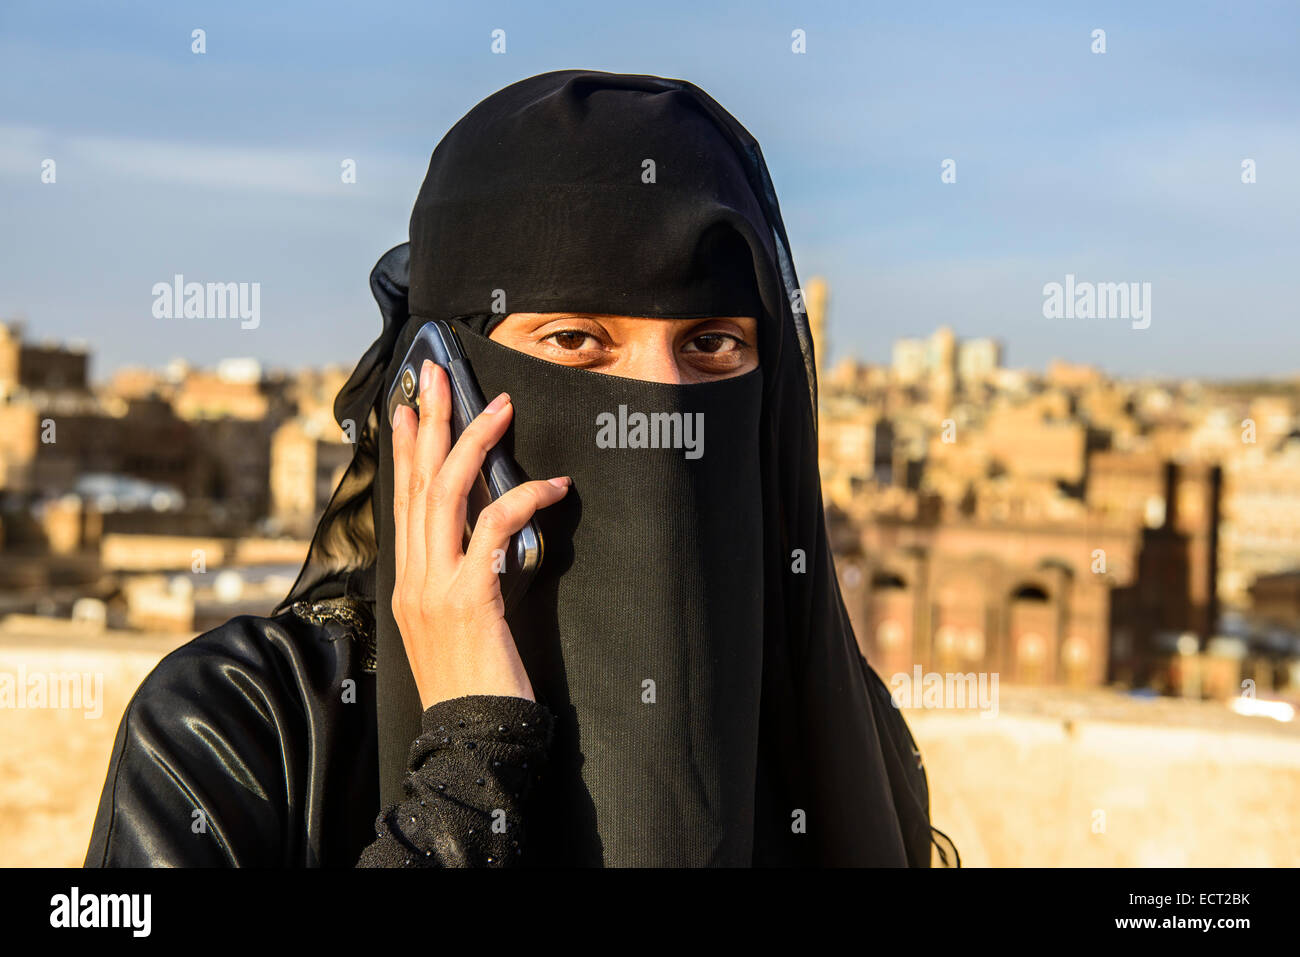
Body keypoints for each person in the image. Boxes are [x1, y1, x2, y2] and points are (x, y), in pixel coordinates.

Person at [84, 69, 955, 868]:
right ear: (438, 382)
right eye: (576, 340)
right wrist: (467, 766)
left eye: (712, 345)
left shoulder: (835, 741)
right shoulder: (239, 730)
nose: (652, 409)